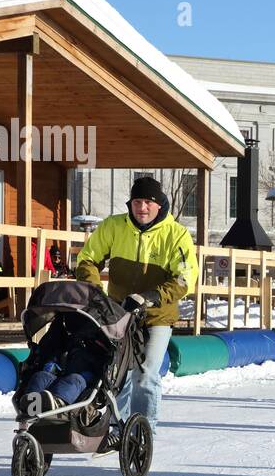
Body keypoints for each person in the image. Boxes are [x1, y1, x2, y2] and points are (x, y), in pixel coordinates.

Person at [75, 175, 197, 449]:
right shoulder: (114, 227)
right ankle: (120, 427)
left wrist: (151, 297)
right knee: (118, 373)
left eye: (149, 203)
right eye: (138, 202)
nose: (142, 208)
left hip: (156, 316)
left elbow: (185, 278)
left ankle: (144, 434)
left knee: (146, 372)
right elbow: (87, 259)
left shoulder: (175, 234)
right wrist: (95, 291)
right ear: (130, 203)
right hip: (119, 313)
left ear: (159, 204)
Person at [15, 312, 109, 416]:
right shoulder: (66, 342)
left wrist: (90, 375)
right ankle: (30, 400)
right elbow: (55, 354)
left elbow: (100, 365)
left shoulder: (95, 348)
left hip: (82, 381)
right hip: (58, 374)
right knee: (41, 376)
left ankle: (57, 402)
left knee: (74, 380)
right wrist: (51, 364)